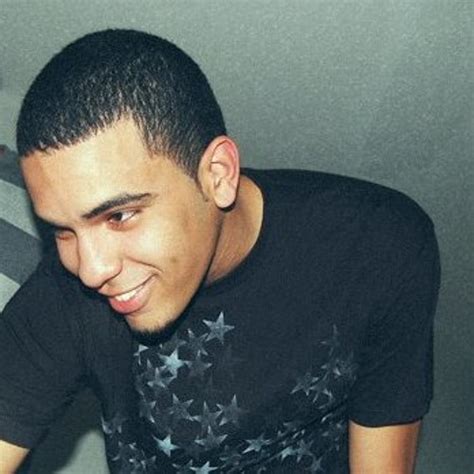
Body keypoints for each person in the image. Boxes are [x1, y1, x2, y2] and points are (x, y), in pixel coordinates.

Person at [0, 29, 440, 473]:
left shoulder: (379, 247)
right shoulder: (64, 296)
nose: (91, 270)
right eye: (62, 230)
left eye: (120, 216)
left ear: (218, 174)